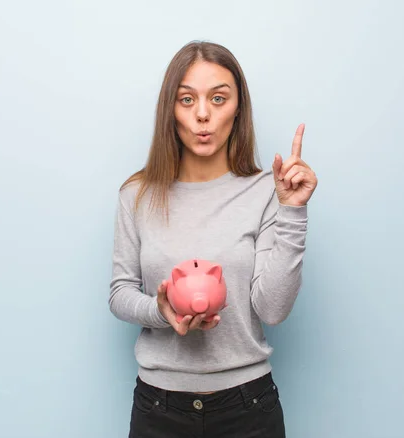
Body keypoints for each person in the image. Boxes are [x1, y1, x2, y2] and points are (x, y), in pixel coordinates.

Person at [109, 40, 318, 438]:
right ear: (170, 110)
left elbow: (272, 310)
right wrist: (161, 312)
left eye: (218, 98)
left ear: (238, 108)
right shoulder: (135, 194)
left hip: (248, 408)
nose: (202, 114)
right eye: (187, 100)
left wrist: (292, 210)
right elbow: (120, 293)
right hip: (159, 408)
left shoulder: (265, 192)